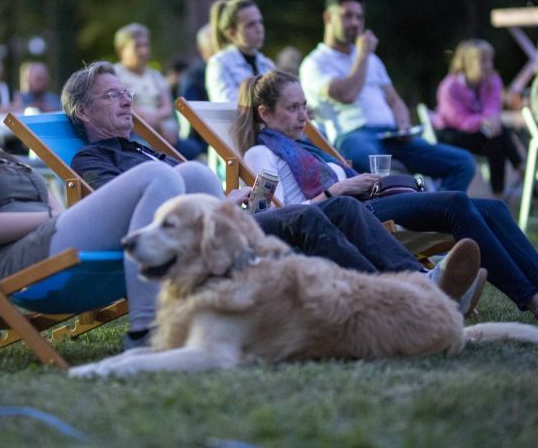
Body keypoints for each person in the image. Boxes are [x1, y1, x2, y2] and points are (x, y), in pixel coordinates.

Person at [62, 62, 482, 327]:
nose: (126, 101)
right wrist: (221, 205)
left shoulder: (140, 147)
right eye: (112, 94)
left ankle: (421, 283)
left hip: (225, 221)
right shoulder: (92, 159)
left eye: (125, 92)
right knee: (306, 216)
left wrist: (233, 197)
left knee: (340, 207)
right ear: (84, 111)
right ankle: (391, 302)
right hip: (200, 237)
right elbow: (137, 208)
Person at [0, 65, 231, 350]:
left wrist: (55, 218)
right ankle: (145, 329)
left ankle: (218, 302)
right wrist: (50, 219)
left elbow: (52, 209)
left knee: (195, 174)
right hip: (18, 262)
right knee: (157, 176)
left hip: (51, 236)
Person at [232, 69, 538, 318]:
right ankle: (529, 298)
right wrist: (336, 189)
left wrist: (352, 177)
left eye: (303, 106)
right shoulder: (262, 154)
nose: (303, 116)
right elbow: (284, 218)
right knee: (455, 203)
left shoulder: (302, 145)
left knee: (494, 209)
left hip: (366, 202)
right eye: (292, 108)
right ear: (266, 114)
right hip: (348, 215)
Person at [299, 0, 475, 190]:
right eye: (347, 16)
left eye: (359, 17)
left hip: (391, 135)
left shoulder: (372, 59)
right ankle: (421, 209)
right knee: (383, 174)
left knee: (463, 163)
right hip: (353, 136)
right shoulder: (315, 63)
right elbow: (347, 95)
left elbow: (394, 101)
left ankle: (438, 214)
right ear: (328, 17)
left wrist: (403, 124)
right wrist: (363, 55)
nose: (355, 23)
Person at [434, 39, 524, 197]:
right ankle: (522, 172)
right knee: (499, 135)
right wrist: (486, 121)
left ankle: (499, 195)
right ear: (467, 63)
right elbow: (458, 119)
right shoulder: (449, 86)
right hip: (451, 134)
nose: (489, 65)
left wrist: (492, 121)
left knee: (496, 139)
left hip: (479, 133)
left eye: (490, 60)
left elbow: (493, 107)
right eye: (483, 60)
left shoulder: (492, 81)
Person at [113, 23, 202, 160]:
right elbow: (128, 110)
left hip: (162, 132)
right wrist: (155, 125)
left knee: (195, 149)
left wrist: (157, 123)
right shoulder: (114, 76)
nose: (144, 51)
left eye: (146, 45)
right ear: (121, 50)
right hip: (133, 133)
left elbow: (167, 108)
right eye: (137, 46)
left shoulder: (156, 76)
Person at [205, 0, 275, 102]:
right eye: (250, 24)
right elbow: (227, 105)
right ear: (231, 33)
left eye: (260, 22)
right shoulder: (219, 64)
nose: (259, 29)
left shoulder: (267, 64)